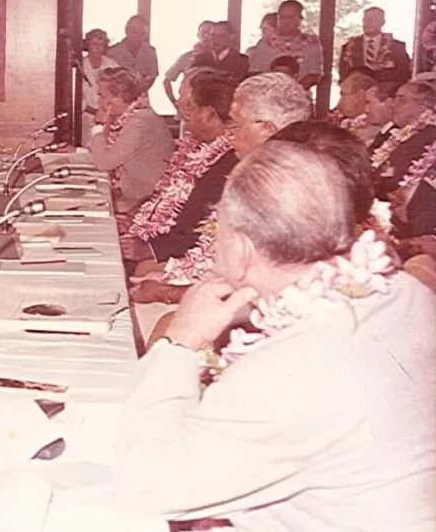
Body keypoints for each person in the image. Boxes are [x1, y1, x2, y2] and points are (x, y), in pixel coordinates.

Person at [116, 140, 436, 532]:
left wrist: (179, 343)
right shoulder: (402, 292)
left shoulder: (291, 369)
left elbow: (144, 489)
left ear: (243, 249)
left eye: (218, 227)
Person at [134, 72, 313, 302]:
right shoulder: (255, 167)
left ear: (268, 129)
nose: (230, 135)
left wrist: (167, 291)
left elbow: (251, 292)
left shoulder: (287, 187)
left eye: (235, 125)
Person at [121, 73, 238, 267]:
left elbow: (204, 231)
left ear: (208, 114)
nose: (185, 115)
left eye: (191, 108)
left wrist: (152, 249)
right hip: (159, 241)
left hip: (186, 260)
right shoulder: (198, 146)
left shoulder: (229, 161)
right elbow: (167, 196)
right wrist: (137, 217)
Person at [88, 66, 174, 213]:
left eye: (102, 95)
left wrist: (98, 125)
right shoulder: (122, 116)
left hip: (143, 203)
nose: (98, 101)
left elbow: (104, 162)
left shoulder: (141, 122)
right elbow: (100, 153)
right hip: (126, 195)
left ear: (119, 97)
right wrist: (76, 151)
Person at [373, 76, 436, 199]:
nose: (393, 105)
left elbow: (394, 181)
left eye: (401, 100)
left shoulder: (429, 136)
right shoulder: (395, 133)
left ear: (424, 105)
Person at [247, 0, 324, 86]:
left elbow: (314, 75)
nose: (285, 21)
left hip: (300, 96)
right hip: (269, 95)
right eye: (282, 17)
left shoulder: (311, 43)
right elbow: (256, 72)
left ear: (300, 19)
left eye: (290, 17)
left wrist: (292, 91)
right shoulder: (265, 44)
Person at [339, 7, 412, 83]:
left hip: (387, 93)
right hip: (356, 93)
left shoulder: (397, 48)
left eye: (373, 19)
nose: (368, 23)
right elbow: (343, 77)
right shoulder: (348, 48)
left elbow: (403, 76)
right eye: (365, 19)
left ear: (383, 22)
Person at [161, 21, 213, 108]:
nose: (206, 36)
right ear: (198, 35)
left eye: (210, 33)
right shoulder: (186, 58)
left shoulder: (219, 58)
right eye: (204, 33)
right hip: (188, 108)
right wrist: (176, 104)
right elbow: (166, 81)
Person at [80, 28, 118, 141]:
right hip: (85, 118)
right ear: (87, 45)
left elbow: (119, 91)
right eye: (94, 44)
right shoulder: (79, 65)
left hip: (108, 117)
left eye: (101, 44)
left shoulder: (112, 65)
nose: (98, 48)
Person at [106, 15, 159, 87]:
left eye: (142, 33)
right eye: (135, 31)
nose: (138, 36)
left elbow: (152, 77)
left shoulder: (150, 52)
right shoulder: (112, 53)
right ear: (126, 30)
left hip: (141, 95)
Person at [329, 68, 379, 143]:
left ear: (360, 96)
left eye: (344, 95)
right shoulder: (345, 121)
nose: (339, 103)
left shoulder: (372, 127)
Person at [365, 80, 402, 152]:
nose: (367, 109)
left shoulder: (397, 135)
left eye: (369, 103)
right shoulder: (383, 132)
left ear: (389, 103)